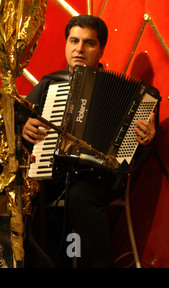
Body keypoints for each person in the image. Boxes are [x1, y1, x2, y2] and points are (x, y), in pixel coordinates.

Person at [22, 15, 158, 267]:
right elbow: (19, 122)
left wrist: (147, 142)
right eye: (74, 41)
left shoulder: (130, 94)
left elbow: (136, 153)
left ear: (101, 49)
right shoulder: (50, 84)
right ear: (66, 44)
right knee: (30, 201)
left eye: (89, 43)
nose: (79, 49)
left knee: (79, 195)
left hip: (99, 178)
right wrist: (23, 127)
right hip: (53, 175)